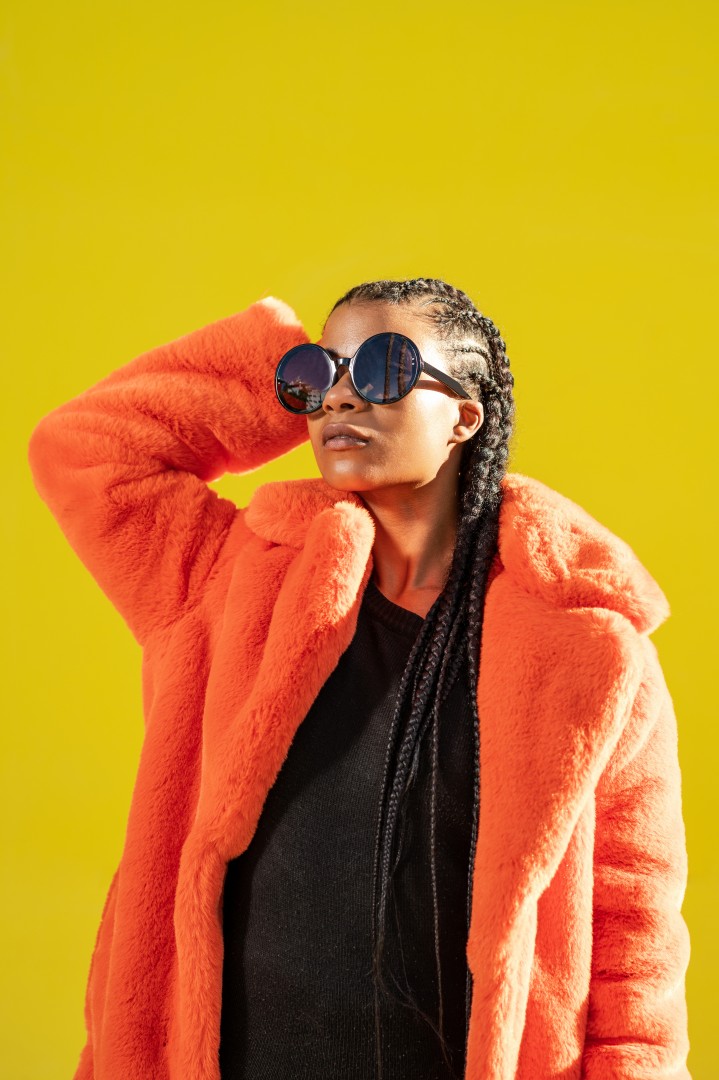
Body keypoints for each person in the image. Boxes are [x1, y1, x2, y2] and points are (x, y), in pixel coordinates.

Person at [28, 277, 691, 1080]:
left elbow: (632, 919)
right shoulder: (223, 579)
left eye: (383, 369)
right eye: (320, 375)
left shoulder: (588, 646)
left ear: (464, 417)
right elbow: (86, 449)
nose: (340, 397)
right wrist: (273, 375)